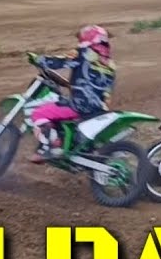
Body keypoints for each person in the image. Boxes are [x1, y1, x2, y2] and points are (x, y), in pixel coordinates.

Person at [28, 25, 116, 163]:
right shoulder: (110, 64)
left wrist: (39, 60)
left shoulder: (84, 53)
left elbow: (61, 62)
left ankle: (51, 148)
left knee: (39, 113)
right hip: (100, 108)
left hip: (80, 105)